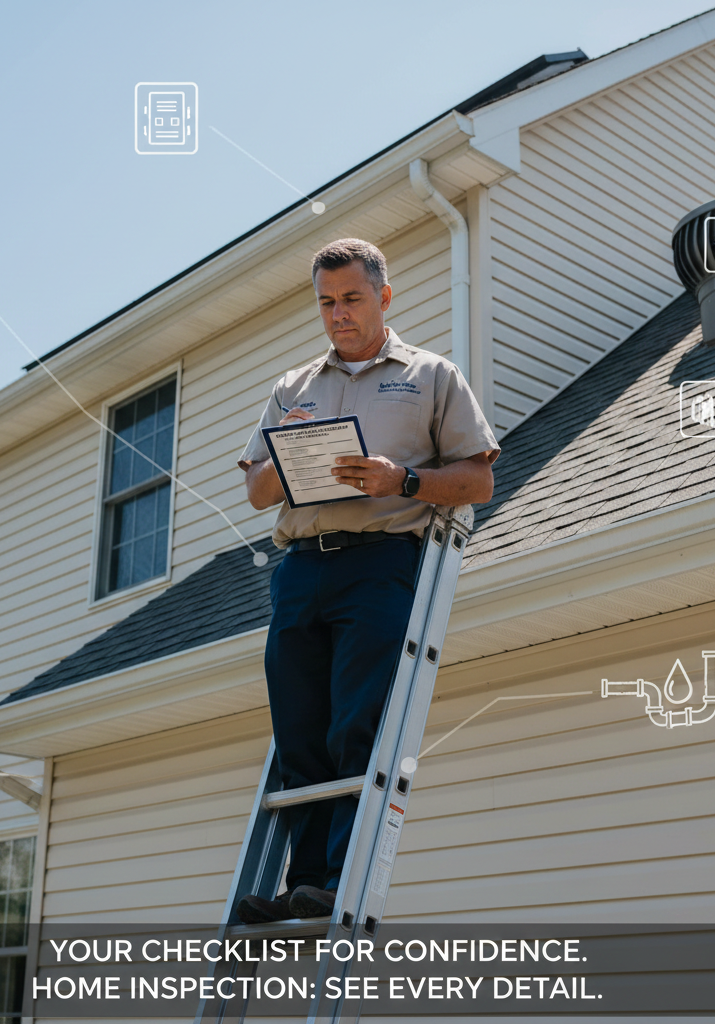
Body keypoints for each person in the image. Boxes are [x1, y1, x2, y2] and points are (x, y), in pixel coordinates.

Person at [235, 238, 499, 923]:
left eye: (352, 299)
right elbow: (258, 494)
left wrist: (401, 479)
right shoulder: (292, 387)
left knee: (358, 724)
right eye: (327, 302)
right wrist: (293, 444)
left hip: (382, 561)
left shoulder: (432, 374)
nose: (338, 314)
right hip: (300, 567)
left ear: (383, 296)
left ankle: (344, 876)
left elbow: (479, 479)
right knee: (300, 730)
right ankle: (307, 881)